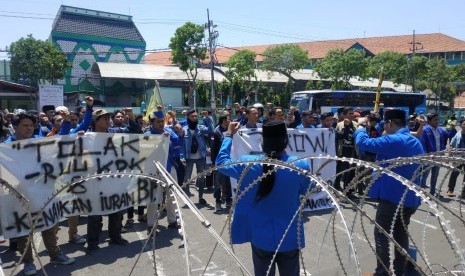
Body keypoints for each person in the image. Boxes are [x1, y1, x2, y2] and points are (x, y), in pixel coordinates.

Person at [216, 121, 311, 276]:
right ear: (285, 140)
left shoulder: (248, 163)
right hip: (289, 235)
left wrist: (228, 135)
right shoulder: (300, 165)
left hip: (260, 236)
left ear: (262, 142)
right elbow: (304, 189)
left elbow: (221, 163)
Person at [355, 109, 424, 276]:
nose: (383, 128)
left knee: (382, 234)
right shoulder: (413, 140)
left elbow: (364, 144)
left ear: (391, 123)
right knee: (400, 233)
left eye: (385, 124)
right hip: (409, 198)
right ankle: (399, 270)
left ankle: (382, 272)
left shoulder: (394, 140)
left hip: (393, 198)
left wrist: (361, 127)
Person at [5, 113, 75, 275]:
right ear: (15, 127)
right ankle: (28, 262)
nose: (29, 128)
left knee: (49, 224)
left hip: (42, 190)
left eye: (31, 125)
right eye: (25, 125)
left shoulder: (40, 140)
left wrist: (66, 124)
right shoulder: (6, 148)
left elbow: (61, 140)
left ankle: (55, 254)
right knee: (24, 229)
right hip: (18, 194)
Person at [86, 109, 137, 254]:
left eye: (109, 118)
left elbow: (135, 131)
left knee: (116, 210)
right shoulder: (87, 137)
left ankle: (116, 236)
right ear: (96, 121)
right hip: (95, 181)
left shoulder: (115, 132)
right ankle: (93, 242)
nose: (108, 120)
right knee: (95, 213)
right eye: (104, 118)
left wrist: (131, 117)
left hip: (114, 180)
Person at [145, 111, 181, 236]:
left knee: (172, 196)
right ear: (152, 123)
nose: (161, 124)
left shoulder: (169, 132)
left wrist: (178, 134)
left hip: (169, 168)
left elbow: (178, 143)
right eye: (158, 122)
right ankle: (151, 225)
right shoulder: (147, 135)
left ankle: (172, 220)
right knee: (153, 198)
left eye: (162, 121)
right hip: (153, 170)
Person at [181, 109, 214, 204]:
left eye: (196, 116)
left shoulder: (201, 128)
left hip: (200, 157)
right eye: (192, 116)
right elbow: (182, 146)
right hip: (189, 158)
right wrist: (182, 157)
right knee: (187, 178)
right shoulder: (184, 130)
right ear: (188, 117)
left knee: (201, 178)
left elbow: (211, 131)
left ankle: (201, 197)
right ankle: (187, 198)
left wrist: (207, 118)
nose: (195, 118)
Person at [420, 113, 449, 196]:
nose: (437, 121)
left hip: (438, 156)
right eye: (435, 120)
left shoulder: (440, 130)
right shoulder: (425, 130)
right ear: (429, 121)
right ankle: (421, 192)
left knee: (435, 175)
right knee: (425, 175)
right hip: (429, 157)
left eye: (437, 119)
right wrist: (425, 155)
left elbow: (447, 137)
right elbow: (423, 143)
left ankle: (432, 192)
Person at [210, 115, 232, 212]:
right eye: (228, 119)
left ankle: (228, 200)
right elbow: (213, 149)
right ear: (223, 120)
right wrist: (213, 162)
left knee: (228, 182)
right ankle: (218, 202)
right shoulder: (216, 132)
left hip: (229, 160)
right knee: (218, 182)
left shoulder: (230, 130)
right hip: (219, 161)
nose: (230, 120)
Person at [447, 119, 465, 197]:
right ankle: (450, 190)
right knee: (454, 174)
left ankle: (464, 192)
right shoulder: (458, 134)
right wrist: (449, 155)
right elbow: (451, 144)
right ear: (461, 125)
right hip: (458, 157)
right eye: (464, 124)